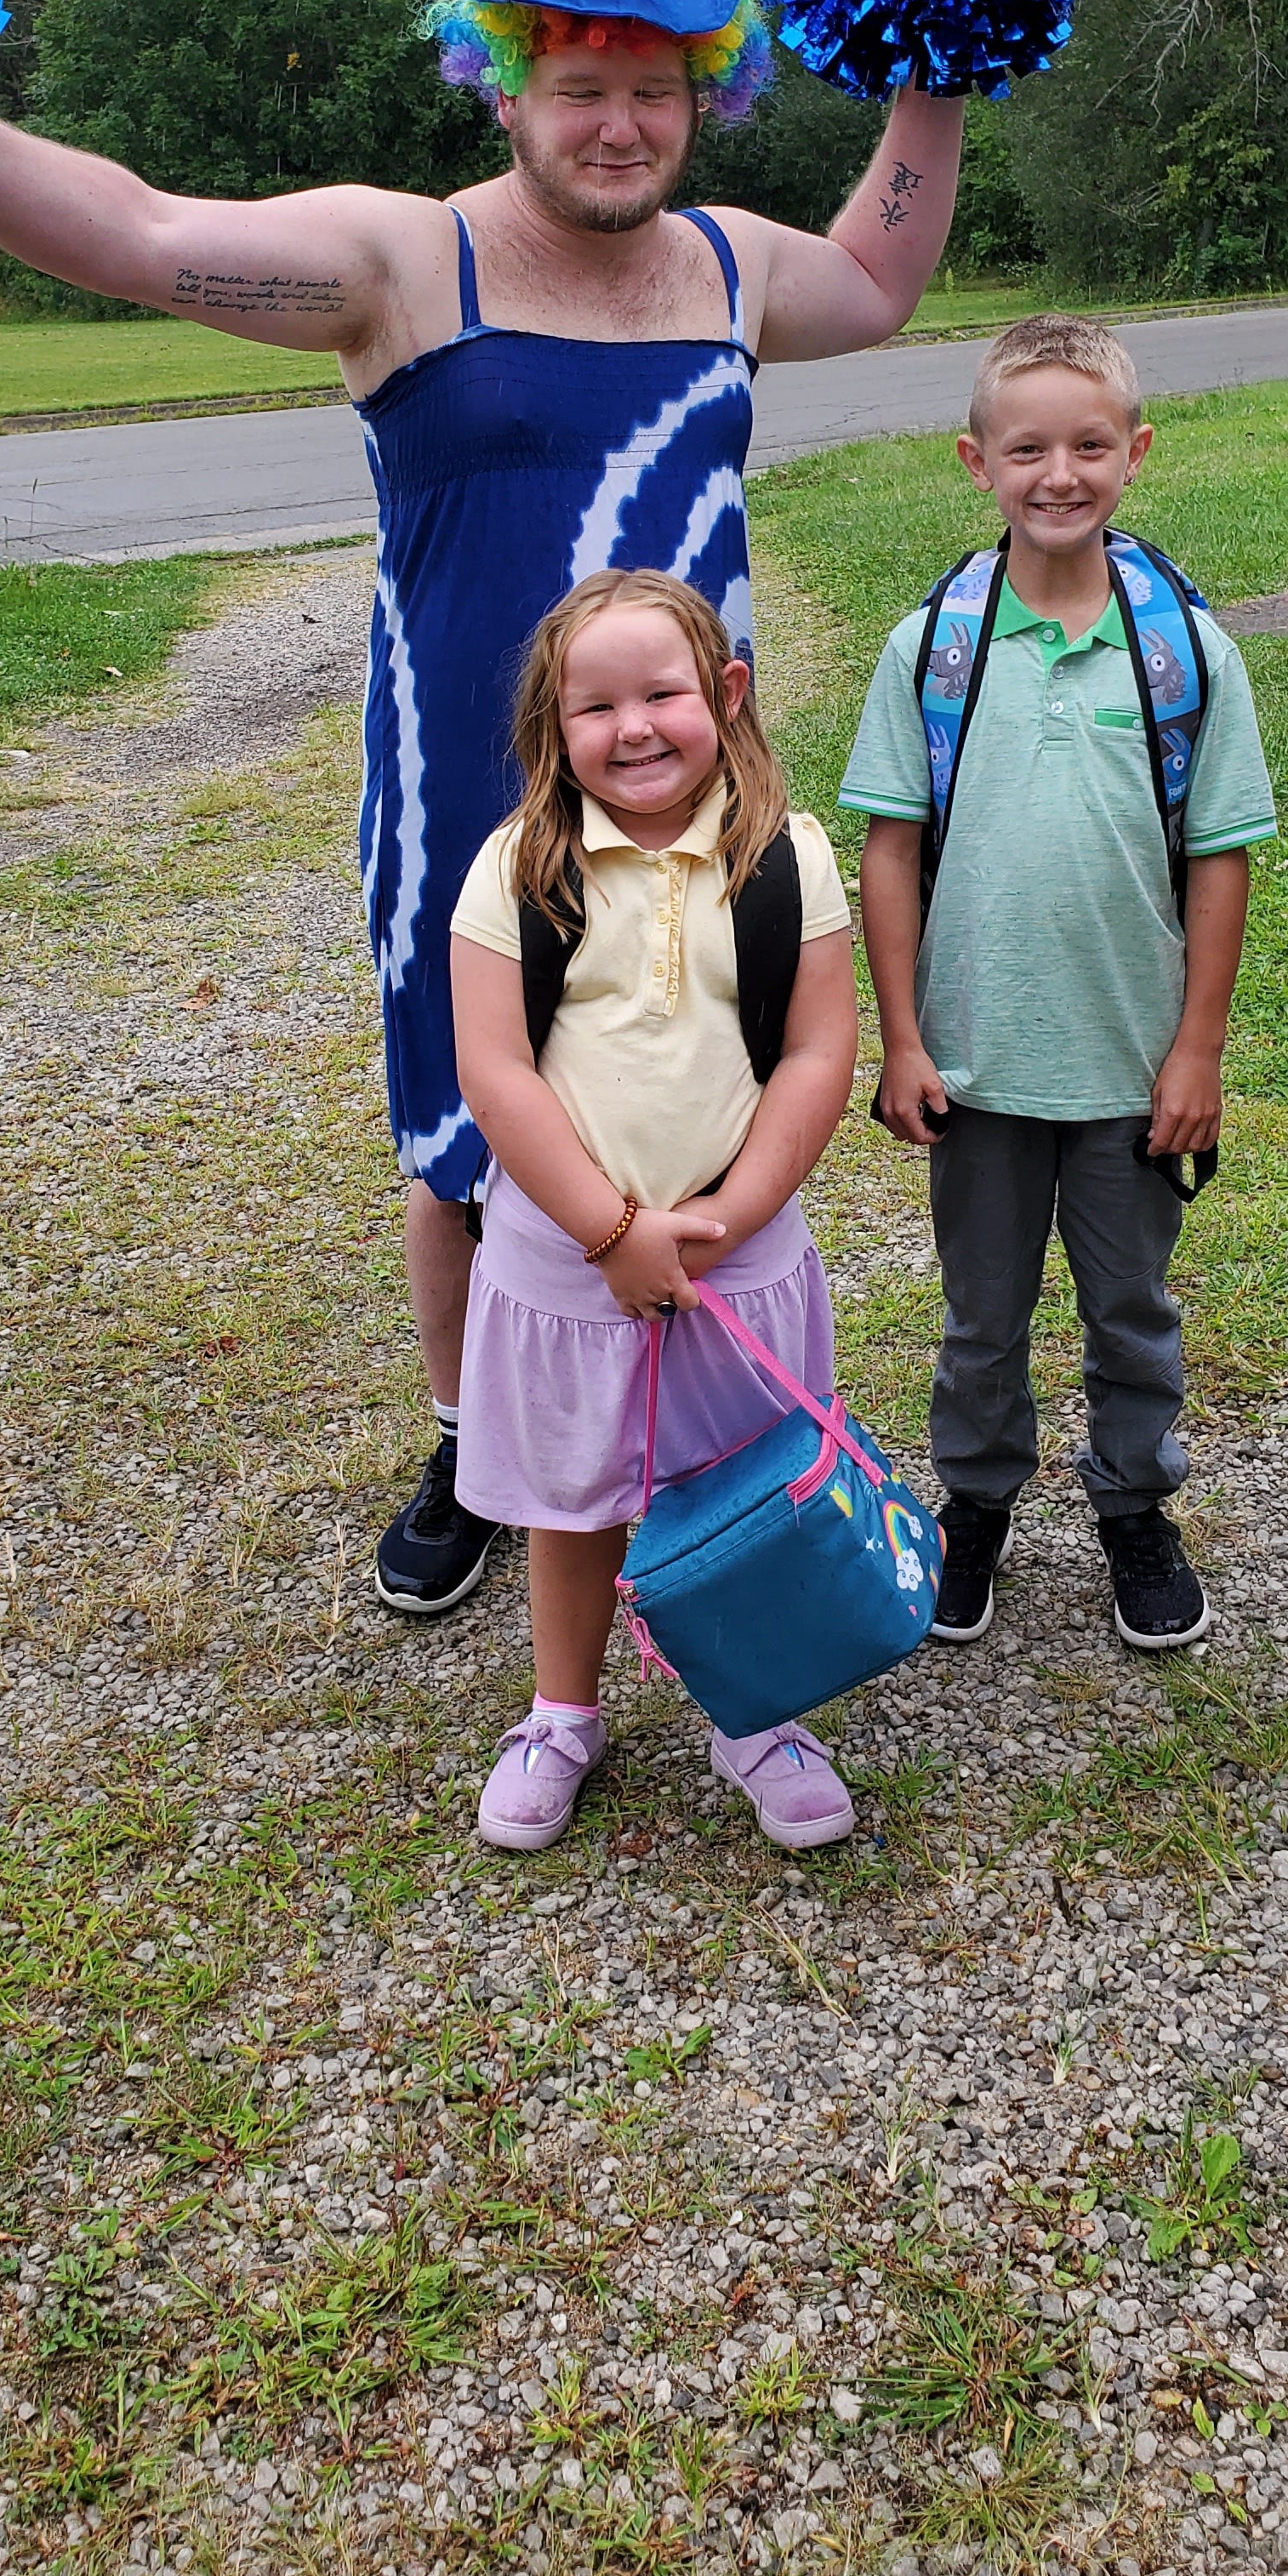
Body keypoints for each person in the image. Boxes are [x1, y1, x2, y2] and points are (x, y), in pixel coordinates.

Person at [0, 0, 966, 1621]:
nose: (623, 121)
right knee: (474, 1142)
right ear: (510, 81)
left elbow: (878, 283)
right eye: (584, 84)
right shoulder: (406, 257)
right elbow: (144, 235)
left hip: (693, 798)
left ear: (702, 87)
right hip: (466, 799)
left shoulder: (728, 267)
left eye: (657, 85)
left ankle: (688, 1431)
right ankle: (474, 1441)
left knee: (690, 1100)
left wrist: (936, 66)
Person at [842, 316, 1276, 1650]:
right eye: (1027, 447)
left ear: (1136, 454)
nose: (1060, 473)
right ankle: (974, 1507)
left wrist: (1195, 1049)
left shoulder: (1186, 653)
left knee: (1132, 1310)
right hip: (974, 1068)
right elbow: (889, 853)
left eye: (1090, 444)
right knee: (981, 1318)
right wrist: (903, 1039)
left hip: (1131, 1071)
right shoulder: (935, 648)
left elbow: (1218, 858)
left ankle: (1135, 1507)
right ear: (977, 461)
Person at [444, 567, 862, 1851]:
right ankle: (563, 1711)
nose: (633, 729)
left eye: (663, 694)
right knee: (574, 1501)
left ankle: (758, 1709)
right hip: (567, 1260)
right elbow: (495, 1071)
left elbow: (816, 1052)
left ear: (724, 695)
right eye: (596, 706)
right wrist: (612, 1234)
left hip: (736, 1253)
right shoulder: (517, 865)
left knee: (743, 1484)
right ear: (551, 727)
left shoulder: (786, 857)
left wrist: (728, 1217)